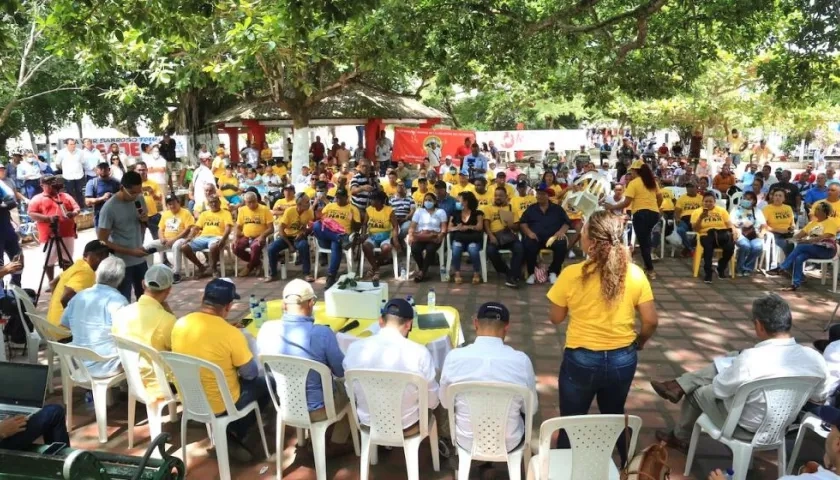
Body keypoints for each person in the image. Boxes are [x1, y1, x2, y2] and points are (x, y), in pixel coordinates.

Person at [653, 293, 829, 452]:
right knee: (733, 357)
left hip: (744, 427)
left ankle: (680, 436)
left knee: (697, 392)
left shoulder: (751, 359)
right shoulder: (814, 358)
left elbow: (719, 390)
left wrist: (729, 372)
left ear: (759, 325)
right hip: (782, 425)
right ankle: (679, 386)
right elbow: (820, 395)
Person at [548, 210, 658, 462]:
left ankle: (565, 471)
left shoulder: (571, 274)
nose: (581, 235)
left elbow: (555, 318)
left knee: (571, 421)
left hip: (581, 359)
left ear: (592, 242)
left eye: (583, 231)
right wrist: (639, 341)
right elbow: (651, 320)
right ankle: (629, 467)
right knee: (615, 414)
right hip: (623, 357)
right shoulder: (634, 273)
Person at [171, 278, 267, 461]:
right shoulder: (232, 334)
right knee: (266, 384)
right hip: (221, 404)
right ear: (229, 306)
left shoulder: (180, 324)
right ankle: (233, 431)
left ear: (203, 300)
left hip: (189, 398)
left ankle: (226, 433)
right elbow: (250, 374)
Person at [440, 302, 537, 453]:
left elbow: (446, 403)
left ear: (475, 323)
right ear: (506, 327)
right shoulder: (521, 361)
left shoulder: (454, 357)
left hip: (466, 441)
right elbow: (531, 408)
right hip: (509, 442)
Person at [343, 298, 445, 437]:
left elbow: (351, 393)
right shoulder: (420, 353)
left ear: (380, 321)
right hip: (408, 424)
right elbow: (432, 402)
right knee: (434, 387)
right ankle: (437, 442)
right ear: (408, 325)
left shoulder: (354, 349)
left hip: (369, 422)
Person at [258, 278, 350, 422]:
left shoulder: (266, 329)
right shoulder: (323, 333)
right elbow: (341, 371)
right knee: (352, 388)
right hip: (320, 409)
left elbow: (268, 369)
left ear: (283, 305)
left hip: (286, 405)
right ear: (311, 303)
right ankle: (340, 439)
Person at [111, 264, 177, 396]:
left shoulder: (121, 313)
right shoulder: (167, 320)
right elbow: (179, 350)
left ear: (143, 284)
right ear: (169, 290)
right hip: (161, 384)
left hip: (131, 378)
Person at [60, 256, 128, 377]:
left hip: (79, 363)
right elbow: (125, 334)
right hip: (107, 365)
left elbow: (65, 323)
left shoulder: (79, 296)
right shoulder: (118, 301)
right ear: (120, 280)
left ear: (97, 274)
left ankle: (97, 393)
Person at [606, 160, 663, 279]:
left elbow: (626, 202)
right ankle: (648, 267)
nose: (630, 173)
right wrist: (656, 207)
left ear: (636, 171)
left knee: (644, 243)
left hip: (640, 214)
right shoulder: (652, 182)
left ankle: (650, 269)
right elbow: (660, 197)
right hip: (654, 214)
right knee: (645, 240)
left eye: (631, 171)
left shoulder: (633, 183)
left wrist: (612, 207)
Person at [97, 171, 149, 301]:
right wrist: (131, 251)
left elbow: (143, 226)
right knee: (122, 299)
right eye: (132, 193)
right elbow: (102, 240)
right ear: (122, 188)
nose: (135, 196)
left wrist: (144, 221)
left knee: (145, 298)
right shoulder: (109, 208)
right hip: (121, 263)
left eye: (139, 192)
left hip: (140, 260)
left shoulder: (139, 199)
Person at [769, 201, 838, 291]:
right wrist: (791, 239)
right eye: (815, 209)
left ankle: (782, 267)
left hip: (826, 250)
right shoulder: (812, 224)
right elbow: (800, 235)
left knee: (801, 246)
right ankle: (796, 284)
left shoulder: (830, 223)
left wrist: (807, 241)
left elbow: (823, 237)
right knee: (799, 258)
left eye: (818, 209)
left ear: (825, 213)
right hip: (813, 249)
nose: (815, 211)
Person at [47, 240, 111, 331]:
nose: (102, 259)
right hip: (64, 332)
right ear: (85, 255)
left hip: (51, 326)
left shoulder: (78, 264)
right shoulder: (86, 271)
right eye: (99, 254)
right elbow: (65, 297)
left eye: (106, 255)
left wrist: (57, 308)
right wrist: (76, 322)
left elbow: (52, 283)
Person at [28, 175, 80, 282]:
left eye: (54, 182)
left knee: (67, 258)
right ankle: (51, 282)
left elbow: (77, 208)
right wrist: (48, 219)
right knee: (49, 260)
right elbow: (31, 214)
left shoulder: (65, 196)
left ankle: (67, 280)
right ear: (42, 185)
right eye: (49, 183)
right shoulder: (37, 198)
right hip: (48, 235)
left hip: (67, 233)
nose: (52, 185)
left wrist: (73, 213)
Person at [519, 185, 571, 285]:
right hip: (536, 237)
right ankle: (532, 273)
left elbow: (566, 223)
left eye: (542, 194)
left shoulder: (557, 209)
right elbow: (523, 223)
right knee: (528, 244)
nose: (539, 196)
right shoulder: (531, 209)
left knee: (562, 243)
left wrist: (561, 231)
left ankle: (553, 272)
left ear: (548, 196)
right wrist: (529, 233)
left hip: (553, 237)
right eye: (538, 194)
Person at [313, 188, 360, 287]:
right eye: (337, 197)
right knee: (316, 225)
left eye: (341, 197)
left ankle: (331, 276)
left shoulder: (353, 208)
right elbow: (320, 220)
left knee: (336, 245)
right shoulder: (330, 206)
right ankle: (339, 238)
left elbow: (357, 228)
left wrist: (352, 221)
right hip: (327, 237)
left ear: (346, 198)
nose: (338, 199)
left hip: (343, 237)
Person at [143, 195, 194, 283]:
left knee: (176, 245)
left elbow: (187, 230)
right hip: (166, 240)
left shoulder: (186, 213)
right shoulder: (166, 214)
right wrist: (162, 238)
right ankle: (149, 270)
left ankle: (176, 273)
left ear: (178, 202)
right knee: (148, 246)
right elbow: (160, 229)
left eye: (174, 203)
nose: (172, 206)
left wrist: (173, 240)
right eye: (169, 204)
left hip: (181, 239)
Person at [182, 195, 233, 278]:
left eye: (215, 201)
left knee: (213, 247)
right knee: (184, 247)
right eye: (211, 202)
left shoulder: (226, 213)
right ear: (208, 204)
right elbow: (197, 227)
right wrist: (190, 237)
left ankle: (214, 269)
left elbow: (228, 228)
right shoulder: (204, 214)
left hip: (217, 237)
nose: (213, 204)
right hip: (203, 237)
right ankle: (201, 267)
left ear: (219, 202)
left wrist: (223, 239)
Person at [267, 192, 313, 282]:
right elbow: (281, 230)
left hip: (299, 238)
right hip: (286, 237)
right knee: (271, 248)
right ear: (299, 204)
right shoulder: (290, 211)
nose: (309, 204)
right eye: (307, 202)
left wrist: (303, 232)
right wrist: (290, 246)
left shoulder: (309, 212)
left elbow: (310, 227)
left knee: (304, 246)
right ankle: (273, 274)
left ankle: (307, 273)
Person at [691, 192, 736, 283]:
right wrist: (700, 218)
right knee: (708, 249)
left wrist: (734, 231)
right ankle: (708, 273)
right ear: (702, 202)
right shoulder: (697, 212)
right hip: (706, 234)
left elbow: (729, 224)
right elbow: (695, 229)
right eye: (706, 201)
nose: (708, 203)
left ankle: (721, 267)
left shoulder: (721, 211)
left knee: (730, 247)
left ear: (714, 202)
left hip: (721, 234)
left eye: (710, 201)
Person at [484, 187, 524, 288]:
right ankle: (508, 272)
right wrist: (491, 236)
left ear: (506, 197)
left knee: (519, 248)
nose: (498, 197)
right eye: (496, 195)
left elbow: (517, 226)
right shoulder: (488, 208)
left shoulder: (511, 208)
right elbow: (486, 225)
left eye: (500, 196)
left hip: (508, 235)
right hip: (494, 235)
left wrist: (510, 225)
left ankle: (513, 277)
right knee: (490, 251)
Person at [407, 192, 448, 282]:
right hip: (421, 236)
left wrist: (441, 235)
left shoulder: (441, 212)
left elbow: (444, 228)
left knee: (430, 249)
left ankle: (422, 272)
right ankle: (423, 270)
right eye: (425, 200)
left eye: (429, 200)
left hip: (434, 236)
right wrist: (410, 235)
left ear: (434, 201)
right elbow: (412, 226)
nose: (427, 202)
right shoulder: (419, 211)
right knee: (414, 248)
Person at [232, 191, 274, 277]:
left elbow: (271, 229)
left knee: (255, 247)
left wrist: (262, 236)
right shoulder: (242, 210)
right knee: (235, 247)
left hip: (259, 236)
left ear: (257, 200)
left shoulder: (264, 209)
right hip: (246, 236)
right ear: (245, 202)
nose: (251, 204)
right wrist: (236, 237)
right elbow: (238, 226)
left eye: (253, 201)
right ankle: (257, 262)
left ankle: (249, 267)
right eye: (249, 202)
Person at [361, 191, 399, 280]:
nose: (370, 201)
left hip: (385, 236)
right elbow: (364, 224)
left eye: (372, 200)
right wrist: (363, 234)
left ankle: (375, 267)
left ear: (379, 201)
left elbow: (395, 226)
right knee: (365, 246)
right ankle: (376, 269)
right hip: (372, 236)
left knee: (387, 248)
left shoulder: (389, 210)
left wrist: (395, 239)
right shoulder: (369, 209)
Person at [449, 191, 485, 285]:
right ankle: (457, 273)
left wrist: (468, 227)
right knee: (456, 247)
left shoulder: (478, 213)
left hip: (473, 239)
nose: (456, 202)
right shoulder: (455, 213)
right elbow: (449, 228)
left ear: (466, 202)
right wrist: (457, 227)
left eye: (458, 200)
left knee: (473, 249)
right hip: (459, 238)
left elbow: (480, 226)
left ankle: (477, 273)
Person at [731, 191, 767, 276]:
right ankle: (739, 268)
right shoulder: (736, 209)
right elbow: (730, 223)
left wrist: (762, 233)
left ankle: (747, 267)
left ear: (754, 201)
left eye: (748, 199)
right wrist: (735, 231)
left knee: (757, 247)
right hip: (740, 233)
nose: (745, 200)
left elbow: (764, 225)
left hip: (754, 234)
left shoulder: (757, 211)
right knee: (745, 246)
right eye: (744, 198)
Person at [133, 162, 164, 240]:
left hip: (153, 215)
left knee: (158, 239)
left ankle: (162, 253)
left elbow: (159, 199)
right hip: (138, 216)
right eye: (139, 170)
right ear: (135, 171)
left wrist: (153, 193)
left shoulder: (153, 183)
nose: (141, 172)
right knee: (139, 240)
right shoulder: (132, 185)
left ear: (147, 170)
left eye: (143, 170)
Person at [55, 139, 86, 206]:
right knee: (69, 193)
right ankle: (72, 208)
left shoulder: (80, 152)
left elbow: (83, 162)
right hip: (68, 177)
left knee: (80, 192)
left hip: (79, 176)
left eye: (74, 144)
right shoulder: (61, 153)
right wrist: (64, 169)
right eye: (71, 144)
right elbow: (57, 164)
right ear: (66, 145)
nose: (73, 146)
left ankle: (82, 207)